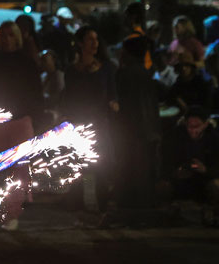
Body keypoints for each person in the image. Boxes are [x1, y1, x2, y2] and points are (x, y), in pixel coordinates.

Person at [62, 26, 118, 210]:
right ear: (80, 44)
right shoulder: (72, 71)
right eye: (90, 39)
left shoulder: (106, 68)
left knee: (101, 166)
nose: (94, 43)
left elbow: (111, 95)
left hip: (99, 122)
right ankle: (76, 202)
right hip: (79, 122)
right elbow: (70, 97)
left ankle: (102, 202)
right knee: (78, 164)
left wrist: (113, 105)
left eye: (96, 39)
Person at [115, 35, 161, 208]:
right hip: (148, 129)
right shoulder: (146, 73)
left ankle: (130, 207)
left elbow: (124, 104)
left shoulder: (124, 74)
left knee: (130, 169)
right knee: (144, 171)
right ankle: (144, 207)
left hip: (131, 129)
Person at [157, 106, 219, 224]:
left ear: (205, 124)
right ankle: (166, 215)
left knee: (216, 186)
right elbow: (164, 163)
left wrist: (205, 170)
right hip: (179, 180)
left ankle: (213, 216)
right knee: (163, 186)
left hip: (204, 180)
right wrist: (175, 172)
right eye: (190, 126)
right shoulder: (173, 137)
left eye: (197, 126)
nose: (192, 130)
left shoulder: (214, 139)